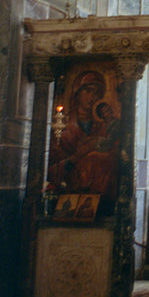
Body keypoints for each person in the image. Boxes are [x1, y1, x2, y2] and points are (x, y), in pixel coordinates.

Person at [48, 70, 119, 200]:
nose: (92, 97)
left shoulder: (100, 126)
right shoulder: (61, 124)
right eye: (88, 91)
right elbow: (52, 162)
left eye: (96, 94)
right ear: (77, 92)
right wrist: (77, 156)